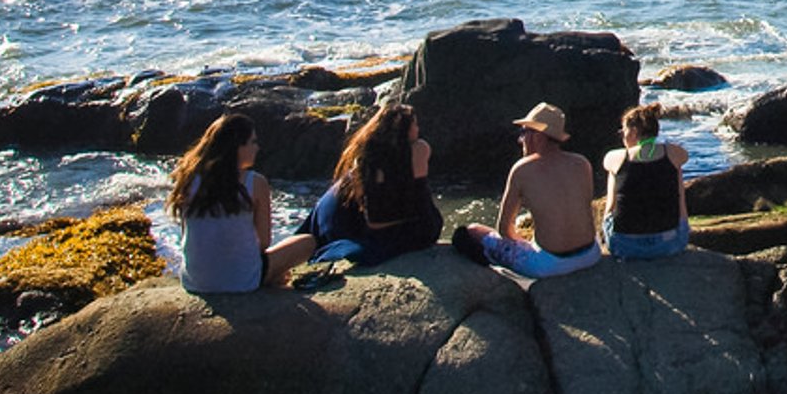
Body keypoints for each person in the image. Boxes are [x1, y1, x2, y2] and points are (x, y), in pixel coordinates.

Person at [167, 112, 317, 292]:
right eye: (252, 142)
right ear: (238, 147)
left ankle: (270, 275)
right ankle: (272, 278)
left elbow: (188, 234)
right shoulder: (255, 182)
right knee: (308, 242)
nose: (258, 148)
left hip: (195, 282)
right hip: (241, 282)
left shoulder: (188, 178)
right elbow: (263, 242)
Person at [450, 102, 601, 277]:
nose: (520, 140)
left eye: (523, 133)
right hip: (590, 255)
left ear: (537, 136)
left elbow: (504, 230)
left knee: (473, 230)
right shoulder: (582, 163)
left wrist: (525, 243)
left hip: (550, 264)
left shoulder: (522, 169)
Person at [299, 103, 442, 266]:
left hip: (330, 215)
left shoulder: (370, 154)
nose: (418, 129)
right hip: (338, 222)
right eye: (415, 124)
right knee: (428, 226)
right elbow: (377, 219)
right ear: (404, 131)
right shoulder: (406, 153)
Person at [599, 103, 690, 260]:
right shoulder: (673, 152)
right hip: (671, 243)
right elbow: (685, 156)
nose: (622, 135)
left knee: (614, 175)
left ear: (633, 132)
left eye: (623, 131)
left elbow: (607, 166)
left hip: (624, 245)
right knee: (675, 169)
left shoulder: (615, 157)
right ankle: (679, 224)